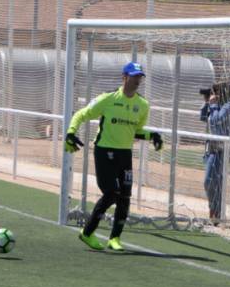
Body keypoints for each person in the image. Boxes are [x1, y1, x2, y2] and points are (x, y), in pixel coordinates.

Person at [65, 62, 163, 251]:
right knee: (111, 193)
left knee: (125, 196)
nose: (137, 80)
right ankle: (87, 232)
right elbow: (80, 114)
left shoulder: (143, 105)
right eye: (134, 76)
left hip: (125, 154)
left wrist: (153, 136)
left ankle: (115, 238)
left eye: (140, 77)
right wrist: (71, 132)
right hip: (104, 151)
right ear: (124, 77)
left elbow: (136, 131)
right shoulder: (108, 98)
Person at [199, 82, 230, 224]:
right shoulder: (214, 105)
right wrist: (207, 103)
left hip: (222, 150)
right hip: (211, 149)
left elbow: (217, 121)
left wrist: (214, 105)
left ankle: (216, 212)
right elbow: (203, 117)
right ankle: (215, 211)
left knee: (212, 182)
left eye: (215, 92)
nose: (212, 94)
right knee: (211, 182)